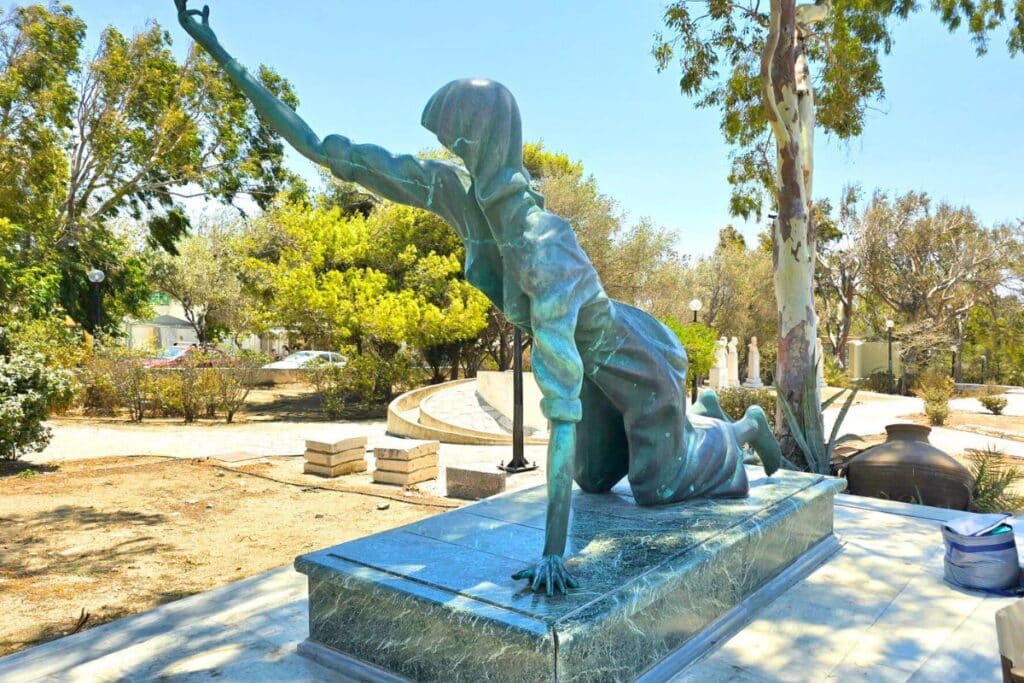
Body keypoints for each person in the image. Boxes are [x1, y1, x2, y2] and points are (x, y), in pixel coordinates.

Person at [175, 1, 782, 596]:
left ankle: (738, 430)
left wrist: (553, 554)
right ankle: (698, 424)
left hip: (632, 367)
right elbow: (335, 154)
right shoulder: (457, 194)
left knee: (658, 487)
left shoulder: (546, 250)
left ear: (483, 141)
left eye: (459, 141)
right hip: (596, 372)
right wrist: (217, 49)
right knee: (595, 480)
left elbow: (561, 407)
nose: (452, 153)